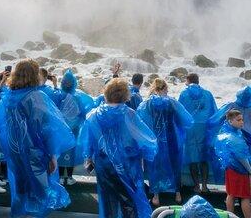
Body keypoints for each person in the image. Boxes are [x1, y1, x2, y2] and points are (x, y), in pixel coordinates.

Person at [0, 59, 75, 218]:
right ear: (34, 75)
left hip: (15, 152)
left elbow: (0, 124)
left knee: (20, 190)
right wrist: (53, 155)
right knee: (40, 193)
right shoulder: (36, 96)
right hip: (35, 153)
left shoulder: (8, 97)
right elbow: (48, 128)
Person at [79, 78, 157, 218]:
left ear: (106, 93)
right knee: (130, 200)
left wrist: (88, 158)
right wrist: (145, 156)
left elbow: (87, 141)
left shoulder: (93, 115)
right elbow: (146, 140)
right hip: (128, 164)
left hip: (104, 164)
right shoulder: (129, 114)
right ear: (125, 95)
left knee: (108, 200)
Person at [137, 78, 194, 207]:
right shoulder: (172, 102)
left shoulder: (146, 104)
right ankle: (177, 194)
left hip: (154, 140)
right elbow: (186, 119)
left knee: (154, 166)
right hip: (171, 138)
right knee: (175, 164)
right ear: (162, 89)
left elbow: (140, 123)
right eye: (166, 89)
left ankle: (156, 196)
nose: (167, 92)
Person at [178, 73, 217, 193]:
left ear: (189, 81)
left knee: (192, 157)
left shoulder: (184, 93)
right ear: (198, 81)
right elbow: (214, 112)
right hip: (204, 128)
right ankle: (205, 186)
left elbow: (179, 111)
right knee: (203, 156)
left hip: (190, 129)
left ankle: (196, 186)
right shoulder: (208, 94)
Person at [54, 69, 94, 185]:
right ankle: (70, 177)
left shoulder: (59, 95)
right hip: (74, 129)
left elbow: (52, 110)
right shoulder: (77, 97)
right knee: (71, 150)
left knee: (61, 150)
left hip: (61, 129)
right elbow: (83, 112)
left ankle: (61, 177)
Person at [215, 109, 251, 218]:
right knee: (245, 197)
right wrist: (250, 170)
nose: (242, 122)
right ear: (230, 121)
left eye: (242, 120)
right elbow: (242, 157)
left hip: (230, 169)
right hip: (239, 170)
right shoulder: (235, 138)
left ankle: (229, 215)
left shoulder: (225, 132)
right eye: (238, 120)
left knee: (231, 194)